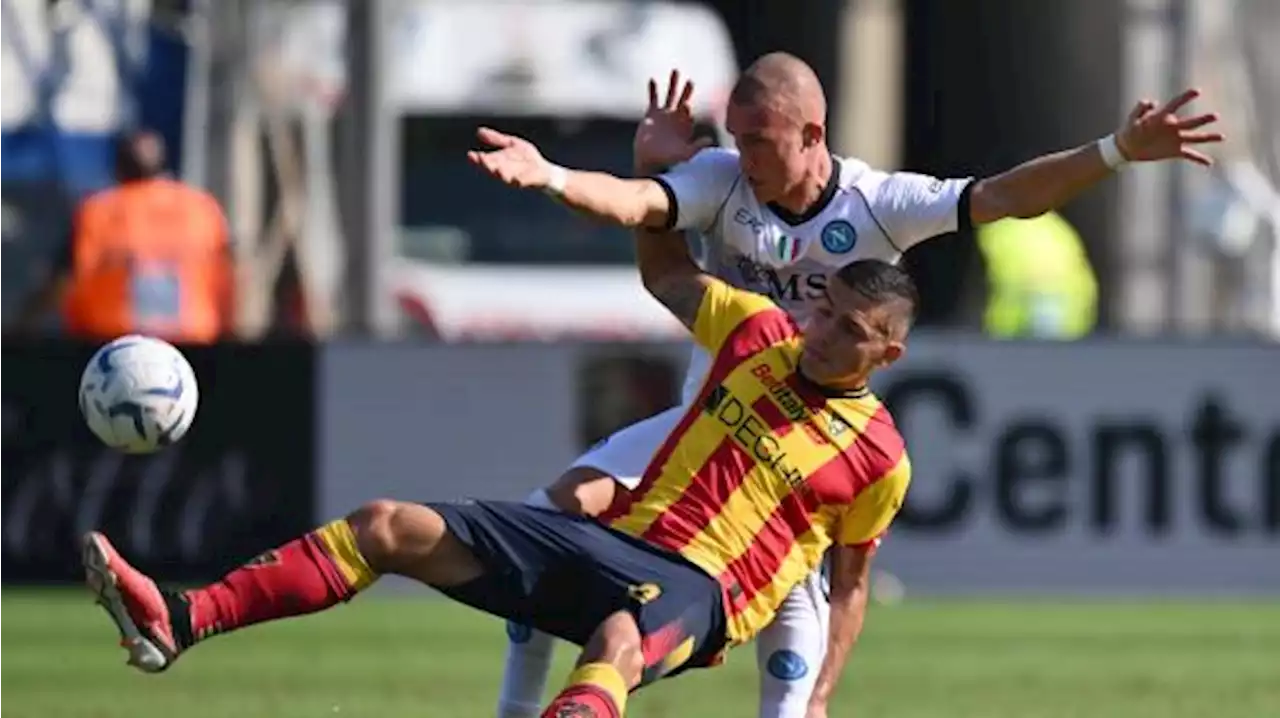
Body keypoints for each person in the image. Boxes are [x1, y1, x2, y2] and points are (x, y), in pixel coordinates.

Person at [471, 54, 1224, 718]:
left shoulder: (878, 202)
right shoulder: (721, 180)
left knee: (793, 665)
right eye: (736, 137)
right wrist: (556, 177)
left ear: (812, 135)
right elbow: (639, 209)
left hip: (802, 454)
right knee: (552, 513)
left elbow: (1004, 198)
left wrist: (1117, 150)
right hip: (708, 423)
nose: (745, 155)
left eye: (760, 139)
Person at [82, 231, 919, 718]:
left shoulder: (879, 456)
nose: (821, 332)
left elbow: (846, 589)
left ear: (888, 352)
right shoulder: (755, 332)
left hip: (704, 591)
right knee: (386, 525)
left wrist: (818, 698)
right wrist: (658, 176)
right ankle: (181, 620)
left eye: (849, 329)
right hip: (610, 542)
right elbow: (665, 273)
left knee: (618, 645)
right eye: (823, 309)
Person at [13, 129, 233, 343]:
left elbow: (61, 281)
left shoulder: (99, 212)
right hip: (194, 346)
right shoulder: (201, 208)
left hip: (112, 347)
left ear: (118, 170)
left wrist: (21, 329)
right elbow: (230, 278)